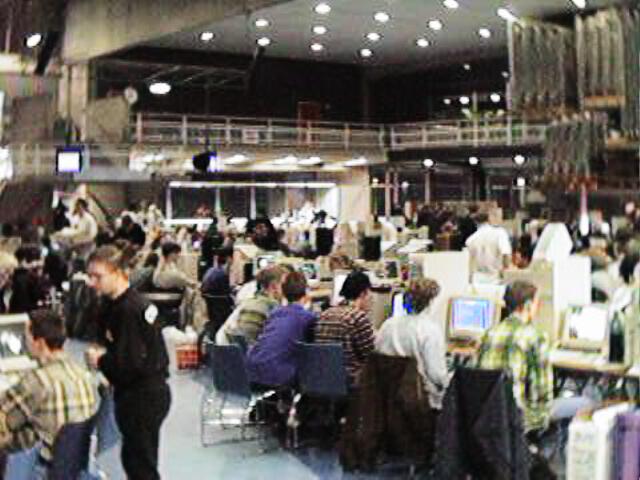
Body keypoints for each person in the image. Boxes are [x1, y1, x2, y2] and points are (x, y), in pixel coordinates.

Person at [85, 246, 171, 480]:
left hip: (143, 396)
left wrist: (101, 360)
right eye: (90, 276)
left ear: (118, 272)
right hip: (137, 393)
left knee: (140, 465)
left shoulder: (130, 310)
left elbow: (129, 365)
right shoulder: (113, 305)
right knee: (134, 459)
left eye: (98, 276)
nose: (92, 283)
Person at [0, 309, 97, 476]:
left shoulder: (37, 381)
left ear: (40, 343)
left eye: (26, 337)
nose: (24, 342)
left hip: (38, 468)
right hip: (71, 467)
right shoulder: (83, 375)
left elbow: (5, 418)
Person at [476, 281, 553, 433]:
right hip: (516, 418)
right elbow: (542, 391)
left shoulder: (488, 333)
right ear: (528, 305)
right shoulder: (535, 336)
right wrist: (541, 419)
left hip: (487, 416)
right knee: (581, 404)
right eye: (537, 303)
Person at [375, 278, 449, 410]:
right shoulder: (430, 330)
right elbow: (437, 376)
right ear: (430, 302)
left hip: (387, 400)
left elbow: (377, 357)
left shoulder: (387, 325)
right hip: (420, 403)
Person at [246, 272, 317, 387]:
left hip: (252, 370)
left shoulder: (275, 313)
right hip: (277, 375)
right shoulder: (308, 317)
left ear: (283, 292)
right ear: (306, 292)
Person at [315, 271, 375, 386]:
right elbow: (371, 357)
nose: (371, 298)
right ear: (363, 293)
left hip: (323, 380)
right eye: (370, 292)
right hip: (349, 382)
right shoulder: (358, 317)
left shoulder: (324, 314)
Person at [235, 266, 286, 345]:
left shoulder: (248, 303)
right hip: (257, 350)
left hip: (244, 350)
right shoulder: (272, 308)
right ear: (274, 286)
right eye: (284, 284)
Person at [465, 211, 512, 283]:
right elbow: (506, 254)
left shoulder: (470, 240)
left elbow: (471, 262)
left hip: (477, 279)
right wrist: (505, 269)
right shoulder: (500, 233)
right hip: (496, 278)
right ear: (489, 219)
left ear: (475, 222)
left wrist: (470, 279)